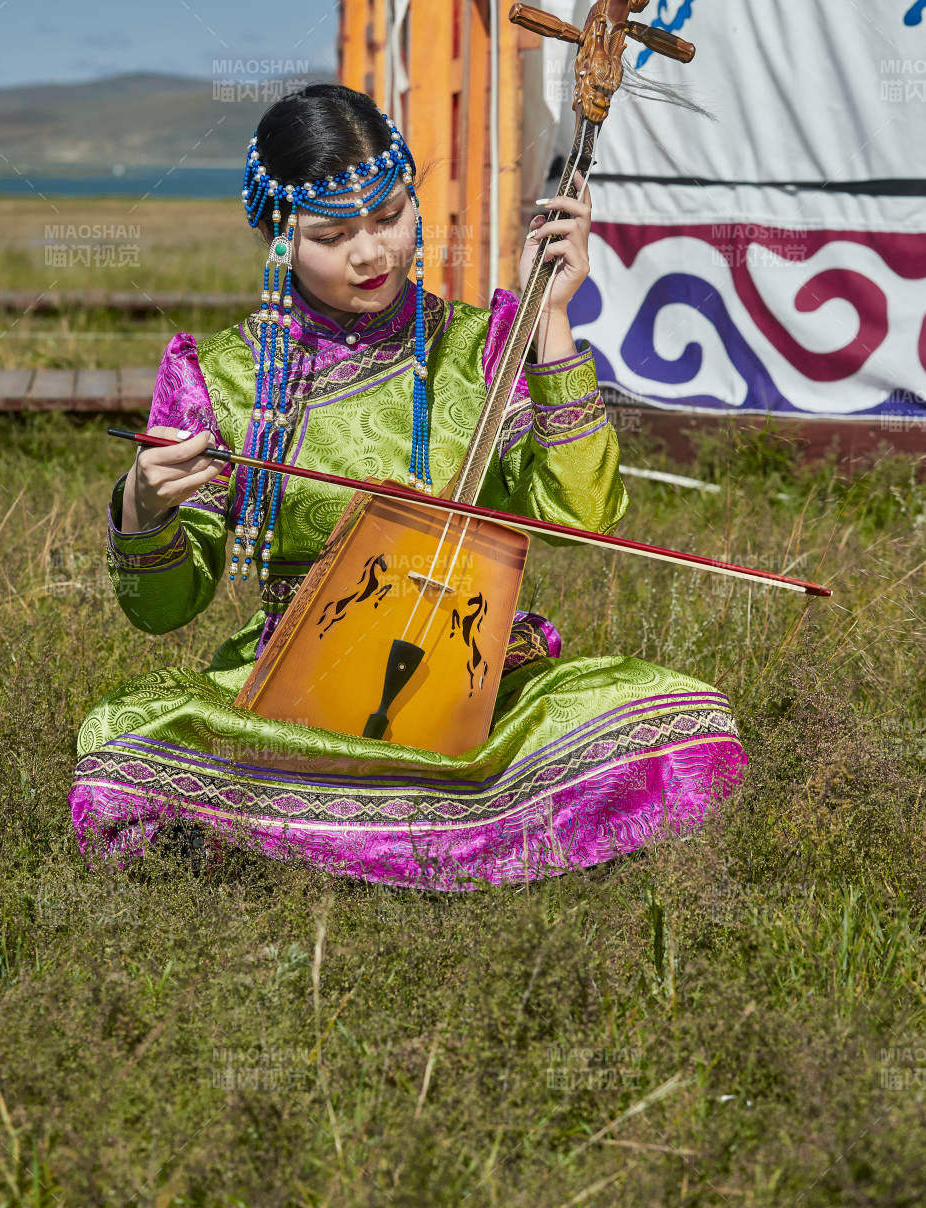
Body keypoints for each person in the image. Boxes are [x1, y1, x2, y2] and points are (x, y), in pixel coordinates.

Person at [70, 85, 744, 890]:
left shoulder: (481, 343)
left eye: (389, 217)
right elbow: (164, 610)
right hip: (292, 688)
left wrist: (552, 321)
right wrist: (142, 508)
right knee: (120, 745)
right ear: (274, 239)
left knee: (686, 720)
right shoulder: (220, 377)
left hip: (476, 674)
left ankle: (308, 837)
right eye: (331, 234)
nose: (371, 254)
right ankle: (472, 826)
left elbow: (582, 514)